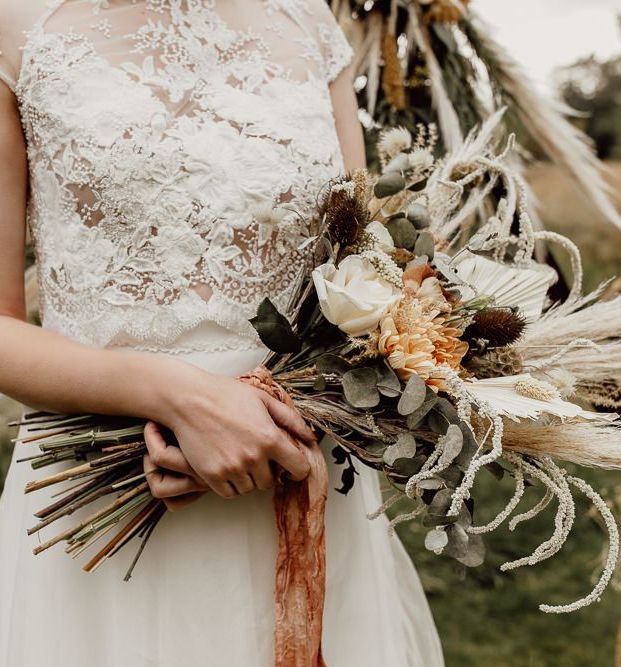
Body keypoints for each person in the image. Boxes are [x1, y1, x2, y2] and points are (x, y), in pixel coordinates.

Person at [0, 1, 444, 665]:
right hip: (108, 518)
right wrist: (179, 398)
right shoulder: (14, 23)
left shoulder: (306, 21)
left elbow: (367, 259)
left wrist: (331, 385)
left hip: (298, 467)